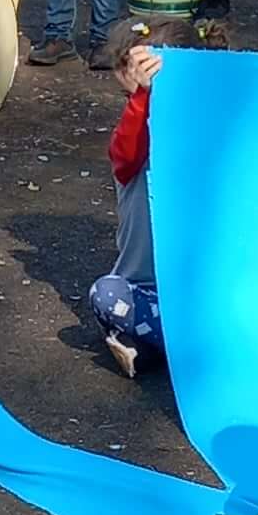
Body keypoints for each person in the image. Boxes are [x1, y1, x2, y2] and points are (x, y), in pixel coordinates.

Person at [91, 21, 188, 372]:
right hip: (150, 291)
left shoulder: (208, 135)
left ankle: (158, 346)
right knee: (108, 295)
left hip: (206, 291)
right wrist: (145, 98)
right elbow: (126, 154)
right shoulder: (135, 138)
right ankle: (183, 345)